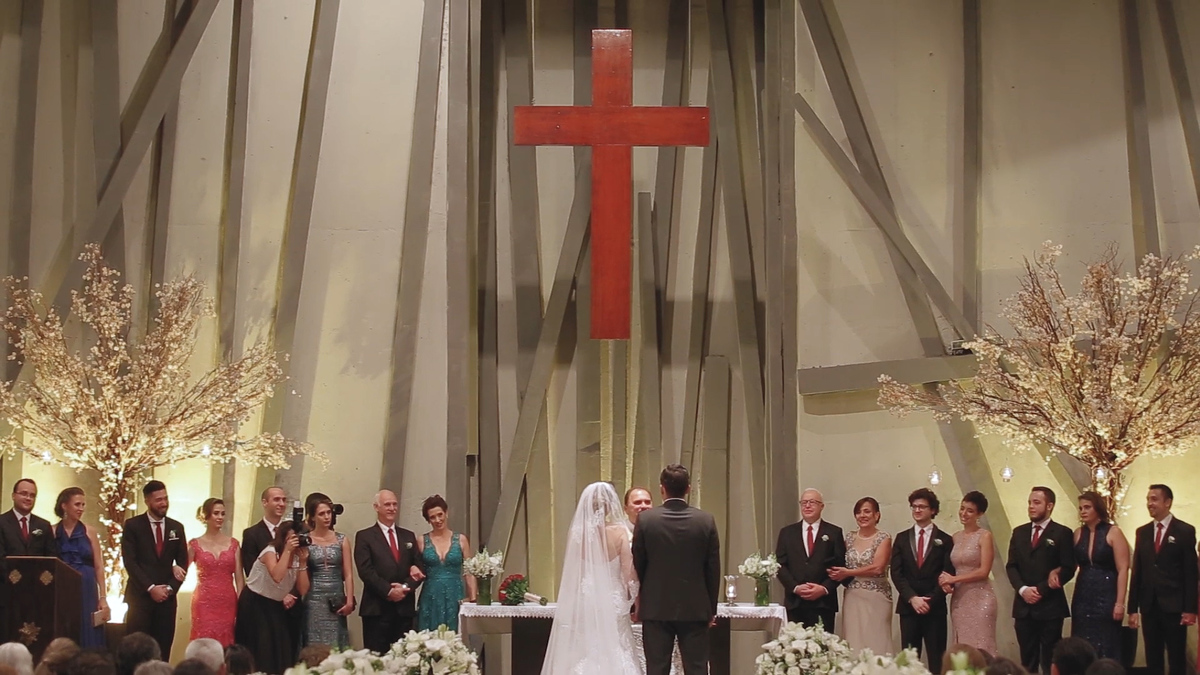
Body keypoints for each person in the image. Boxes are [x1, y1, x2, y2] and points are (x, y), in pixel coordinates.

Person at [542, 482, 642, 674]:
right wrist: (635, 599)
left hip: (587, 598)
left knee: (588, 647)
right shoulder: (619, 532)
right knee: (617, 646)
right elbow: (628, 573)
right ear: (609, 505)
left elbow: (575, 570)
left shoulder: (577, 534)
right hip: (614, 599)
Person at [633, 465, 721, 675]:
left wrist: (643, 597)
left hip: (656, 606)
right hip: (695, 607)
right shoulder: (705, 520)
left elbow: (638, 563)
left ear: (662, 489)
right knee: (697, 668)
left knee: (656, 668)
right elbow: (712, 568)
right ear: (688, 488)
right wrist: (711, 608)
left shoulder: (646, 520)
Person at [1128, 484, 1197, 675]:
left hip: (1174, 606)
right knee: (1153, 656)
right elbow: (1138, 571)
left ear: (1167, 502)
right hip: (1149, 605)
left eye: (1154, 499)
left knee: (1176, 657)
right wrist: (1132, 609)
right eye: (1148, 499)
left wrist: (1190, 609)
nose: (1150, 504)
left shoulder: (1185, 531)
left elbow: (1190, 572)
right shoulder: (1142, 532)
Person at [1006, 486, 1076, 675]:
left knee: (1050, 661)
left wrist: (1041, 589)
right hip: (1023, 608)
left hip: (1050, 607)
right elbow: (1011, 566)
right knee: (1027, 662)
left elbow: (1069, 567)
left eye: (1036, 502)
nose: (1031, 507)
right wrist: (1023, 590)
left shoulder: (1062, 533)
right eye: (1029, 502)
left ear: (1050, 506)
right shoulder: (1019, 532)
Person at [891, 488, 955, 674]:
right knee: (909, 660)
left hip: (934, 607)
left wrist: (929, 599)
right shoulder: (902, 538)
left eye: (922, 507)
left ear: (933, 510)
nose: (917, 510)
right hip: (908, 606)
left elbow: (947, 573)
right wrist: (912, 598)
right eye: (914, 507)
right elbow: (896, 572)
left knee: (937, 658)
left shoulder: (945, 540)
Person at [122, 481, 188, 659]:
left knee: (162, 651)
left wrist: (169, 588)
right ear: (147, 501)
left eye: (165, 498)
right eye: (158, 500)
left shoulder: (177, 527)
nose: (164, 503)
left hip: (167, 601)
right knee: (137, 652)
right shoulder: (133, 526)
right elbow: (130, 562)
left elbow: (183, 562)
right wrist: (151, 588)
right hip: (140, 599)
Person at [353, 490, 425, 654]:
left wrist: (405, 587)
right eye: (387, 504)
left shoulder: (408, 536)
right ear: (376, 507)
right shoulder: (365, 536)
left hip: (404, 610)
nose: (392, 508)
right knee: (377, 660)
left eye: (394, 504)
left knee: (404, 660)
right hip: (377, 609)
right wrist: (389, 590)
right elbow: (365, 570)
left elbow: (419, 568)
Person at [234, 521, 310, 674]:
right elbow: (277, 575)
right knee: (261, 649)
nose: (296, 541)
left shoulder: (297, 557)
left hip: (274, 605)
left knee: (279, 649)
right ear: (283, 538)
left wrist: (302, 563)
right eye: (292, 538)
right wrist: (287, 551)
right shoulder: (270, 551)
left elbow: (303, 589)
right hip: (255, 603)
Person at [240, 487, 300, 657]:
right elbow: (251, 568)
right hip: (261, 599)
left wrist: (290, 593)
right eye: (276, 499)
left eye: (284, 499)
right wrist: (282, 593)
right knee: (261, 648)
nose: (281, 503)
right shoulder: (252, 534)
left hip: (288, 602)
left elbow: (300, 566)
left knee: (283, 649)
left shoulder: (293, 530)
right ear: (265, 503)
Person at [828, 497, 893, 655]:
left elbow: (878, 568)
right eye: (858, 512)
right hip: (853, 597)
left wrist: (848, 573)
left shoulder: (884, 538)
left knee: (876, 641)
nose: (862, 515)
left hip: (876, 595)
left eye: (867, 511)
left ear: (877, 515)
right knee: (853, 642)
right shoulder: (849, 538)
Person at [1070, 491, 1130, 660]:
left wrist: (1120, 603)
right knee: (1081, 642)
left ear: (1098, 508)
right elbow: (1071, 565)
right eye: (1081, 508)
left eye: (1087, 507)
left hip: (1106, 594)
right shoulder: (1077, 533)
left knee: (1106, 640)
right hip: (1083, 594)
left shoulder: (1113, 532)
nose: (1083, 511)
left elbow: (1123, 569)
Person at [776, 488, 846, 629]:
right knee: (793, 648)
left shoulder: (834, 532)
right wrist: (795, 587)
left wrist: (824, 588)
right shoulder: (787, 533)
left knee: (823, 648)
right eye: (804, 502)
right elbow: (780, 565)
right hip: (795, 603)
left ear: (822, 506)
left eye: (812, 502)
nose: (807, 506)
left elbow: (839, 565)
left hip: (823, 603)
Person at [940, 491, 998, 654]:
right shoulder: (955, 537)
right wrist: (946, 581)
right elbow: (949, 567)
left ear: (979, 514)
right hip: (960, 599)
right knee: (962, 648)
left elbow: (984, 571)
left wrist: (954, 578)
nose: (964, 513)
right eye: (962, 508)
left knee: (981, 645)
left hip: (981, 597)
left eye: (970, 510)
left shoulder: (985, 536)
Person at [53, 488, 107, 647]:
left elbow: (99, 566)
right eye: (77, 504)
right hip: (62, 586)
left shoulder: (90, 531)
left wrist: (103, 597)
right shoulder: (53, 531)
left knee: (87, 628)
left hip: (86, 587)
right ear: (64, 506)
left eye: (83, 505)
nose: (81, 508)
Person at [416, 495, 475, 631]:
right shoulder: (422, 541)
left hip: (455, 595)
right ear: (428, 520)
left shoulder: (461, 540)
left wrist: (472, 599)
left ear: (446, 513)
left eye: (440, 514)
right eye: (432, 517)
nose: (438, 520)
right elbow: (415, 567)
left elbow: (469, 572)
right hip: (431, 596)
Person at [189, 498, 242, 647]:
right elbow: (181, 569)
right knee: (204, 640)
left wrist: (241, 603)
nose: (220, 517)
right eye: (216, 513)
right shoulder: (194, 544)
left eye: (223, 514)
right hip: (204, 601)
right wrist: (174, 568)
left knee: (226, 641)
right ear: (206, 516)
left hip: (227, 601)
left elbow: (239, 579)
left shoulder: (234, 544)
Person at [303, 493, 354, 648]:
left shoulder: (341, 539)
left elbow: (348, 573)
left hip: (336, 597)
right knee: (314, 643)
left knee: (336, 643)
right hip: (314, 599)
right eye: (321, 514)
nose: (326, 517)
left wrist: (349, 600)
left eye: (329, 513)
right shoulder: (305, 540)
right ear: (312, 517)